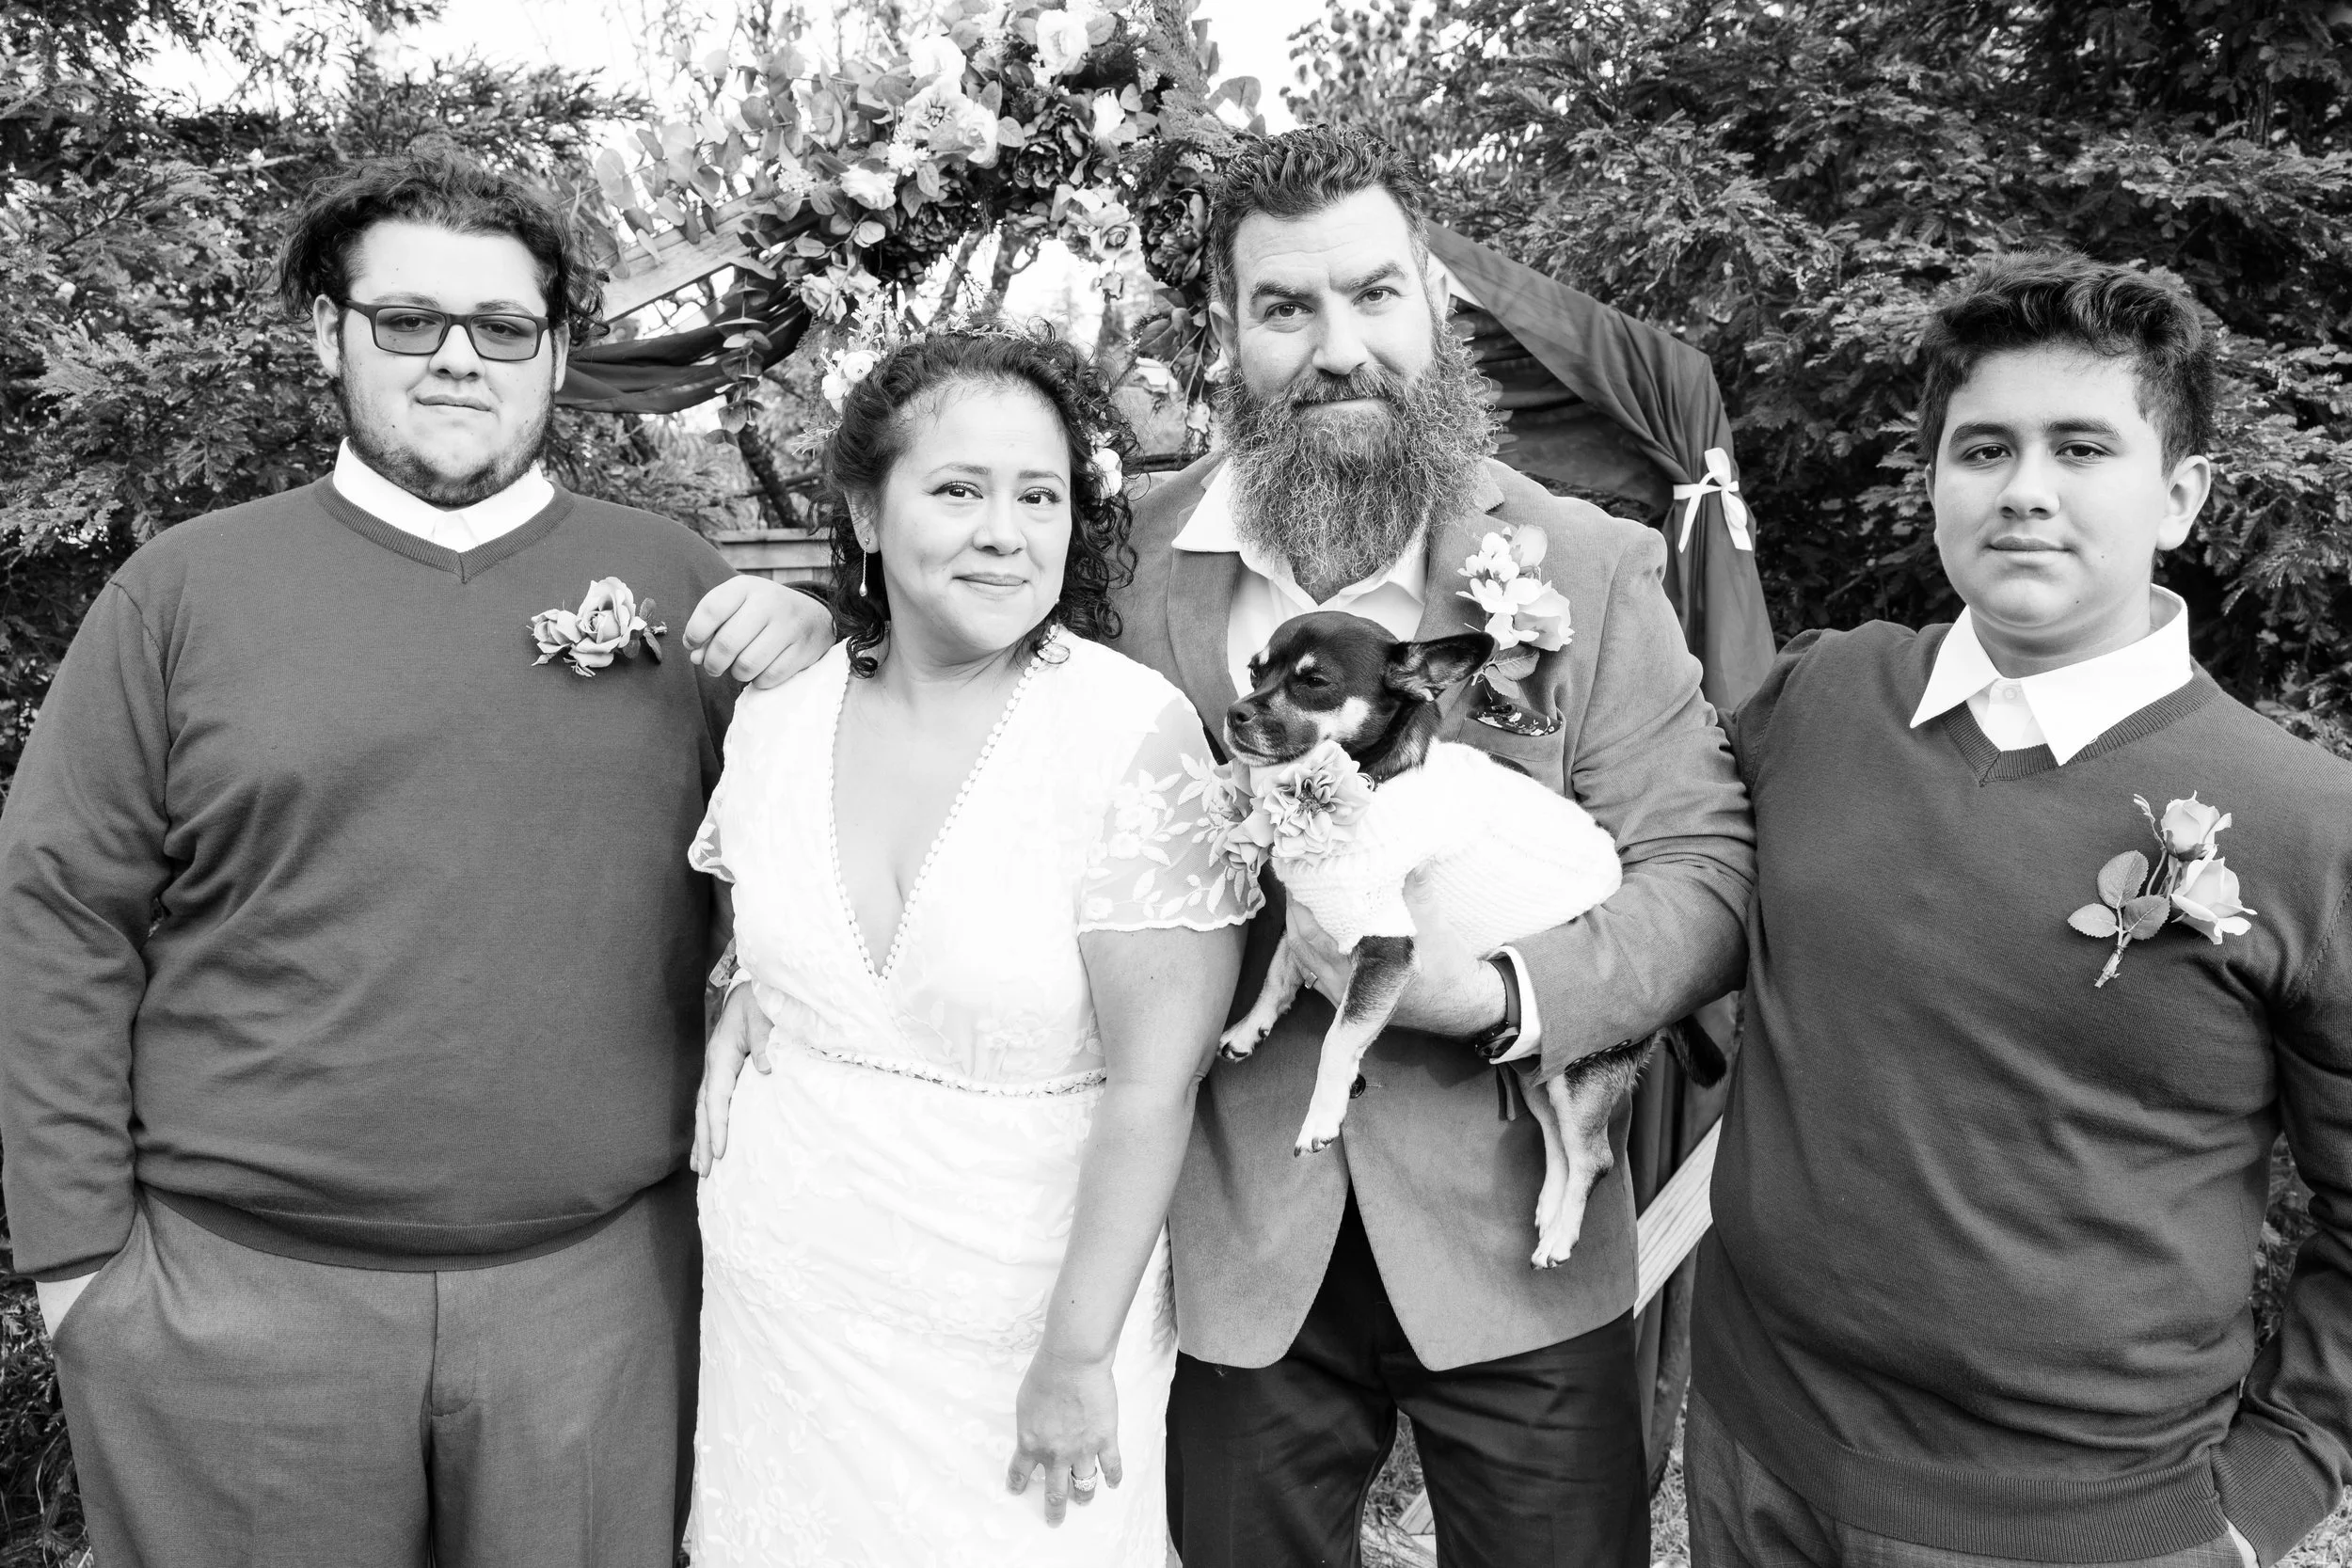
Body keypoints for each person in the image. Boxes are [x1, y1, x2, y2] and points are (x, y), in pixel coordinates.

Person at [0, 150, 832, 1568]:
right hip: (237, 1305)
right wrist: (79, 1267)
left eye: (502, 325)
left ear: (555, 352)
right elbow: (60, 914)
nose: (458, 357)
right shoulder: (182, 593)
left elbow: (818, 871)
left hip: (600, 1304)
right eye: (409, 321)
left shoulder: (681, 586)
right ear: (331, 335)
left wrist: (822, 666)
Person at [1115, 126, 1756, 1566]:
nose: (1338, 349)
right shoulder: (1126, 568)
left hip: (1514, 1243)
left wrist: (1506, 994)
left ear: (1437, 304)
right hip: (1235, 1249)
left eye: (1374, 295)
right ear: (1227, 333)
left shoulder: (1585, 562)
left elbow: (1706, 874)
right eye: (1286, 308)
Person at [1689, 253, 2352, 1568]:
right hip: (1757, 1456)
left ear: (2181, 496)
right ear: (1935, 480)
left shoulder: (2305, 827)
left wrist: (2271, 1488)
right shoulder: (1820, 699)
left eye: (2082, 448)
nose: (2026, 489)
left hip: (2082, 1525)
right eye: (1983, 447)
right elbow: (1666, 871)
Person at [683, 329, 1249, 1566]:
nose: (1005, 533)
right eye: (958, 489)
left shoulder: (1128, 733)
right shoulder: (777, 719)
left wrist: (1077, 1354)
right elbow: (767, 936)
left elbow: (1157, 1086)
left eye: (1039, 496)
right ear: (865, 513)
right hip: (789, 1307)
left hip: (1026, 1325)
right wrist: (745, 990)